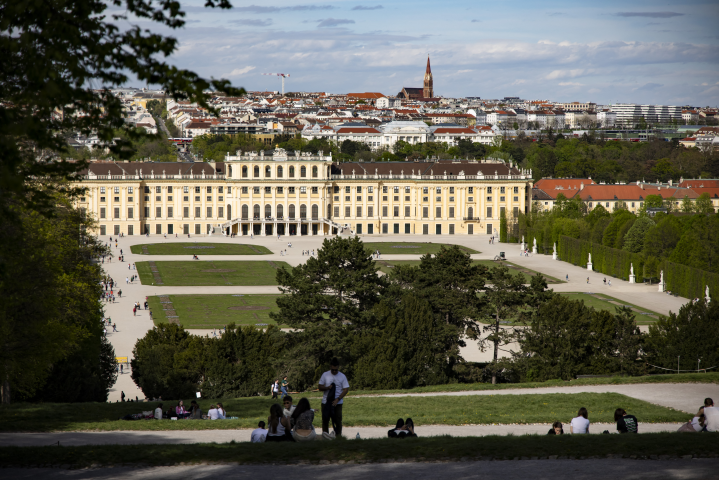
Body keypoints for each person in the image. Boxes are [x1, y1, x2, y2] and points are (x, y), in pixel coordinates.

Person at [318, 357, 350, 440]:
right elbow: (320, 386)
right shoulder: (325, 375)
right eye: (333, 370)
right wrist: (327, 388)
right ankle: (325, 438)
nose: (335, 371)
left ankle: (338, 438)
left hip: (337, 403)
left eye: (336, 370)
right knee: (325, 421)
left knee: (338, 421)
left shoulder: (342, 376)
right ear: (330, 367)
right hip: (326, 402)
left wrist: (338, 399)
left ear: (338, 367)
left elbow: (346, 389)